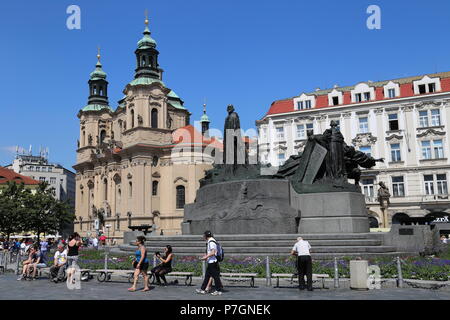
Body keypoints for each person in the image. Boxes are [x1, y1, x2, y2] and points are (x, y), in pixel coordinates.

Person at [196, 231, 223, 296]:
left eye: (204, 235)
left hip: (213, 262)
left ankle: (218, 290)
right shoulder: (211, 241)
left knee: (216, 277)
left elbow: (213, 252)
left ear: (206, 236)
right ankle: (203, 289)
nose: (203, 237)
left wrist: (205, 257)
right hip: (211, 262)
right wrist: (206, 256)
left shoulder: (211, 242)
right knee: (207, 276)